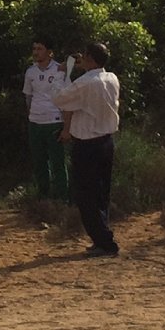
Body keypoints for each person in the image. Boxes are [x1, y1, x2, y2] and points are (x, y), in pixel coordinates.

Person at [50, 41, 124, 257]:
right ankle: (101, 236)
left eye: (84, 55)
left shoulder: (85, 83)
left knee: (85, 195)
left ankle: (105, 242)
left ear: (90, 58)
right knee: (101, 193)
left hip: (88, 145)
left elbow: (59, 98)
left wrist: (62, 73)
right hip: (106, 142)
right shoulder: (111, 78)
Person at [21, 39, 71, 202]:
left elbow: (66, 98)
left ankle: (62, 197)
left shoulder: (59, 69)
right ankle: (43, 196)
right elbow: (28, 97)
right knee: (39, 161)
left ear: (49, 52)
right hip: (35, 121)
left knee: (57, 162)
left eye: (40, 49)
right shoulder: (30, 72)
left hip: (54, 120)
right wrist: (31, 115)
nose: (36, 52)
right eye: (34, 49)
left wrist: (66, 126)